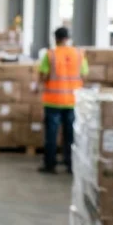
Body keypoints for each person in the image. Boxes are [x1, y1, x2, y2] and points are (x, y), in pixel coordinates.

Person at [39, 26, 88, 174]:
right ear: (68, 38)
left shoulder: (51, 54)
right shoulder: (79, 54)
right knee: (70, 135)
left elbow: (44, 76)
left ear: (55, 38)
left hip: (53, 100)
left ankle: (50, 165)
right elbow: (84, 75)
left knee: (51, 135)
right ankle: (70, 164)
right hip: (73, 101)